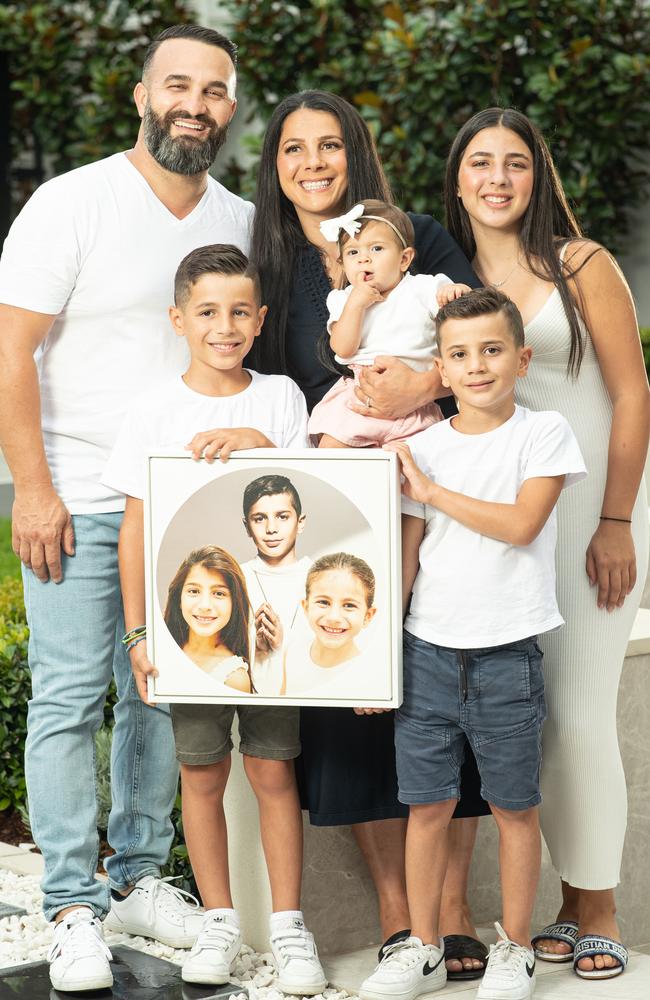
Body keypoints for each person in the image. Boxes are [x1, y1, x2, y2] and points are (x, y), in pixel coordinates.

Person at [0, 23, 254, 993]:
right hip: (78, 487)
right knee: (69, 695)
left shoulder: (236, 214)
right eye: (176, 85)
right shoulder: (72, 203)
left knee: (159, 694)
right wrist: (32, 485)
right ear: (141, 96)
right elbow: (9, 348)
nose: (194, 103)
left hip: (187, 502)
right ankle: (69, 901)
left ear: (229, 109)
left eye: (214, 90)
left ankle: (140, 875)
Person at [248, 89, 488, 978]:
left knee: (440, 692)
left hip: (435, 493)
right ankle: (397, 912)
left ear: (357, 154)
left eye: (330, 146)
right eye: (293, 150)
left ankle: (454, 908)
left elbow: (481, 333)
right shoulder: (273, 266)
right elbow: (263, 385)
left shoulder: (416, 232)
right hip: (340, 513)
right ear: (274, 167)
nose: (313, 163)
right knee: (354, 709)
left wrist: (424, 382)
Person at [445, 107, 650, 982]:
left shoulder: (582, 265)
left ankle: (595, 902)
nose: (497, 178)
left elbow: (633, 393)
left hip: (584, 523)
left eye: (515, 163)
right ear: (457, 178)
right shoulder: (439, 280)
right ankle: (564, 902)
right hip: (492, 529)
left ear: (537, 176)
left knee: (577, 716)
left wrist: (613, 520)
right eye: (481, 162)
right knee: (523, 727)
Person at [103, 243, 325, 992]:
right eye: (207, 312)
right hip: (187, 634)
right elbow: (136, 533)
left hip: (271, 630)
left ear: (261, 319)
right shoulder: (153, 411)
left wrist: (260, 444)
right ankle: (221, 921)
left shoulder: (281, 398)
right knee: (200, 772)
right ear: (178, 319)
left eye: (239, 312)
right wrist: (138, 632)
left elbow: (311, 496)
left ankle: (290, 927)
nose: (224, 326)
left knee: (272, 768)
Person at [359, 287, 586, 1000]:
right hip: (427, 653)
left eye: (492, 350)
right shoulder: (418, 449)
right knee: (425, 807)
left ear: (520, 359)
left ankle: (513, 949)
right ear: (442, 370)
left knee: (514, 806)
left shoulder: (543, 434)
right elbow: (405, 556)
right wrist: (376, 659)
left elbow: (522, 525)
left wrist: (431, 489)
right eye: (460, 354)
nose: (477, 365)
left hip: (506, 654)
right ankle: (423, 948)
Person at [309, 199, 470, 447]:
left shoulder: (423, 288)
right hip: (360, 398)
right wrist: (356, 305)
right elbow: (342, 348)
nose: (364, 259)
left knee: (418, 467)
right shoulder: (343, 300)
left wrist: (456, 291)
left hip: (416, 405)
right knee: (332, 453)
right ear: (342, 264)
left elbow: (464, 314)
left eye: (376, 249)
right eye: (353, 252)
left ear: (404, 259)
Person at [240, 475, 310, 695]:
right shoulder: (234, 577)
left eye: (282, 516)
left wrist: (282, 643)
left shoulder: (320, 578)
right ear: (247, 526)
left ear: (300, 523)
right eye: (259, 518)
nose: (271, 528)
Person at [282, 552, 378, 697]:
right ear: (306, 607)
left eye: (349, 605)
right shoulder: (292, 653)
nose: (334, 617)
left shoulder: (369, 675)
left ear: (367, 616)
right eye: (324, 602)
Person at [164, 546, 253, 692]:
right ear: (178, 598)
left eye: (218, 593)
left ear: (234, 603)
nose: (205, 605)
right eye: (194, 591)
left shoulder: (234, 677)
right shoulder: (161, 648)